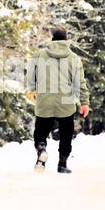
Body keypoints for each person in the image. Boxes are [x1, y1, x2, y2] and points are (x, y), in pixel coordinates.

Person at [27, 27, 90, 173]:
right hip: (66, 101)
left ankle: (41, 149)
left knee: (41, 130)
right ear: (66, 39)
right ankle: (62, 164)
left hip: (44, 100)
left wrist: (31, 89)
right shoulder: (74, 58)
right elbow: (79, 83)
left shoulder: (40, 55)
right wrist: (84, 102)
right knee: (66, 133)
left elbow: (31, 75)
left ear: (52, 38)